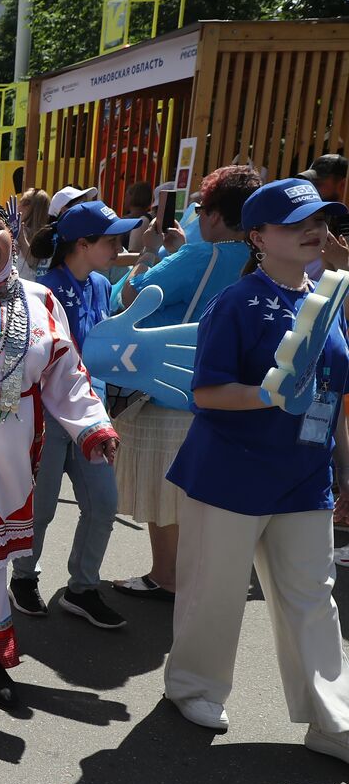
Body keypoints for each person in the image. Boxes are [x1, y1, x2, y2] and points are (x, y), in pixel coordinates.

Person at [162, 178, 349, 764]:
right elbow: (208, 393)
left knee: (314, 597)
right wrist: (270, 396)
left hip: (305, 475)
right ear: (259, 237)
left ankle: (332, 720)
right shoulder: (238, 302)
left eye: (319, 220)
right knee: (214, 592)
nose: (313, 231)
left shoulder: (332, 297)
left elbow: (335, 393)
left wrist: (345, 470)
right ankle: (194, 686)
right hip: (229, 475)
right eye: (296, 223)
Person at [111, 165, 260, 601]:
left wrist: (148, 252)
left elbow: (131, 295)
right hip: (231, 388)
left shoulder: (196, 256)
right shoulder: (257, 260)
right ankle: (198, 574)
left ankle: (166, 575)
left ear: (213, 214)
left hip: (170, 386)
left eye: (202, 209)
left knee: (168, 494)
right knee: (204, 495)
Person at [0, 202, 128, 636]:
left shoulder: (103, 286)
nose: (118, 246)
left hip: (92, 418)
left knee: (104, 503)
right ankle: (23, 578)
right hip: (48, 420)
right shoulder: (41, 292)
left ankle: (82, 588)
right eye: (110, 240)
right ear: (82, 244)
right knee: (43, 508)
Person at [14, 187, 51, 280]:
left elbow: (34, 263)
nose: (18, 206)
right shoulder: (48, 234)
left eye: (22, 202)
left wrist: (21, 239)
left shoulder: (47, 236)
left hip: (26, 288)